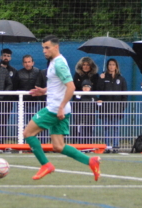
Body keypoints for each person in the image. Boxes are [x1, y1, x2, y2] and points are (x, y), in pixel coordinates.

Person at [25, 35, 100, 181]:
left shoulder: (59, 63)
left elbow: (71, 87)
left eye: (47, 48)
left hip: (55, 109)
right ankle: (91, 161)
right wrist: (44, 90)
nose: (44, 51)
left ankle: (46, 165)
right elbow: (58, 85)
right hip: (60, 109)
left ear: (56, 47)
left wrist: (60, 107)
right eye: (43, 48)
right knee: (58, 146)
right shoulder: (55, 62)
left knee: (28, 133)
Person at [97, 58, 127, 152]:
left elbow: (124, 94)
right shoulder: (103, 77)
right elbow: (98, 90)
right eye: (110, 64)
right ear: (107, 66)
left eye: (113, 64)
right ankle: (107, 147)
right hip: (106, 107)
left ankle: (115, 147)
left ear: (116, 66)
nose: (111, 66)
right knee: (106, 127)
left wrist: (122, 107)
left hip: (116, 108)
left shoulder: (121, 79)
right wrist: (101, 79)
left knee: (115, 127)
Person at [72, 79, 101, 144]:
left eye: (87, 87)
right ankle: (81, 147)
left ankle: (89, 147)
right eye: (84, 87)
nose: (86, 88)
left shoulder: (93, 97)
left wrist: (99, 104)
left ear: (90, 88)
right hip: (80, 120)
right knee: (81, 134)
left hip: (90, 120)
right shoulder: (78, 96)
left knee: (89, 134)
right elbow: (75, 106)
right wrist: (77, 98)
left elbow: (97, 108)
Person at [17, 55, 42, 124]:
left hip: (35, 102)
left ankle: (33, 135)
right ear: (23, 64)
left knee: (35, 122)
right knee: (22, 122)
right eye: (25, 62)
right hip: (22, 102)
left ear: (32, 63)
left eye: (29, 62)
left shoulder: (38, 72)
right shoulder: (19, 73)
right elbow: (16, 86)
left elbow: (40, 85)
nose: (27, 64)